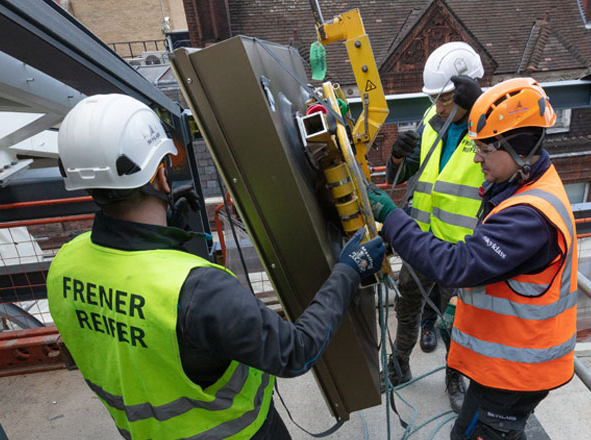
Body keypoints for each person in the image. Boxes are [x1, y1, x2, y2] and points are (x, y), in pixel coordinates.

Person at [47, 94, 385, 440]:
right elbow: (295, 352)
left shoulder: (65, 263)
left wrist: (171, 235)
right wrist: (348, 270)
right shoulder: (198, 289)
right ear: (160, 177)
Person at [368, 78, 578, 440]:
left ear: (516, 148)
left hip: (515, 372)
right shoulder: (522, 182)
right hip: (508, 362)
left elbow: (456, 265)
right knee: (477, 429)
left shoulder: (530, 216)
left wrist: (390, 217)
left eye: (483, 149)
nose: (476, 156)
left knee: (477, 433)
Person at [382, 41, 486, 413]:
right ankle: (400, 364)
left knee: (458, 321)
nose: (438, 107)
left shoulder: (491, 131)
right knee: (407, 305)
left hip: (464, 254)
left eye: (445, 99)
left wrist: (481, 112)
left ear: (467, 90)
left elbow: (526, 164)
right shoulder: (430, 121)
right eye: (435, 99)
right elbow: (400, 178)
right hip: (422, 244)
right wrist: (396, 155)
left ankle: (454, 379)